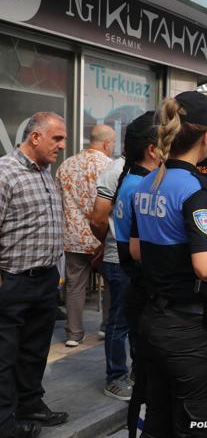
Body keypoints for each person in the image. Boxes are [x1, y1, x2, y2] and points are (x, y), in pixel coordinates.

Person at [130, 91, 207, 438]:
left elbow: (136, 250)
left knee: (158, 424)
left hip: (152, 323)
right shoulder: (195, 189)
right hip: (190, 331)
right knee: (195, 429)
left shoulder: (147, 182)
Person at [0, 112, 69, 438]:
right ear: (35, 137)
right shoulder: (5, 174)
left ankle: (30, 404)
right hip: (11, 280)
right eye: (57, 138)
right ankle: (4, 422)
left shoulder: (45, 173)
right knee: (4, 355)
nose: (62, 145)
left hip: (44, 279)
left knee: (34, 351)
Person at [90, 115, 157, 402]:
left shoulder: (147, 173)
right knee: (118, 322)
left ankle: (133, 372)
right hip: (120, 261)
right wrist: (110, 242)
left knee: (134, 318)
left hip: (133, 261)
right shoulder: (120, 173)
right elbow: (97, 218)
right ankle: (115, 377)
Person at [109, 112, 160, 438]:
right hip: (138, 280)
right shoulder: (141, 185)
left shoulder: (131, 181)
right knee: (146, 374)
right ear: (153, 149)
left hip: (129, 275)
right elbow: (139, 248)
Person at [56, 124, 115, 347]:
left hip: (73, 238)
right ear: (107, 144)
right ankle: (106, 328)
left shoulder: (66, 165)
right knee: (110, 283)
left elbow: (59, 201)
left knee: (74, 285)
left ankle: (73, 334)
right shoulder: (110, 167)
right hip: (103, 236)